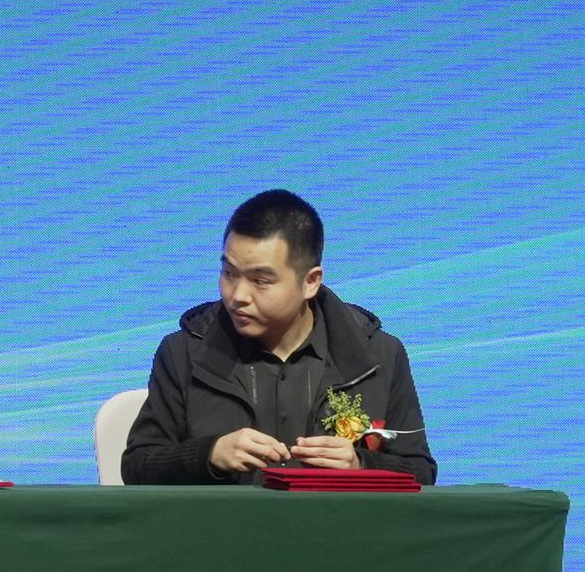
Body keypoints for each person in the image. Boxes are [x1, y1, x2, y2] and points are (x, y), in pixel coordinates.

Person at [121, 188, 436, 484]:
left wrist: (360, 465)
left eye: (260, 281)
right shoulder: (184, 352)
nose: (237, 295)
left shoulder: (379, 356)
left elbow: (421, 472)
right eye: (229, 273)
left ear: (310, 282)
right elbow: (137, 466)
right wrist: (209, 454)